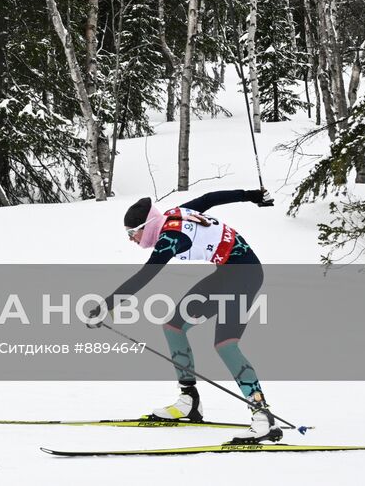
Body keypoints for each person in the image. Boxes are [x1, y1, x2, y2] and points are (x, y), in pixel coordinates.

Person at [98, 188, 278, 441]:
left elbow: (145, 275)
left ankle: (262, 415)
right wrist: (251, 195)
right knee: (174, 327)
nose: (131, 239)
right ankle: (189, 400)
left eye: (131, 233)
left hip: (245, 277)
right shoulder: (174, 215)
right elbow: (208, 199)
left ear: (146, 226)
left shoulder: (170, 237)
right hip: (226, 274)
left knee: (226, 345)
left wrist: (106, 305)